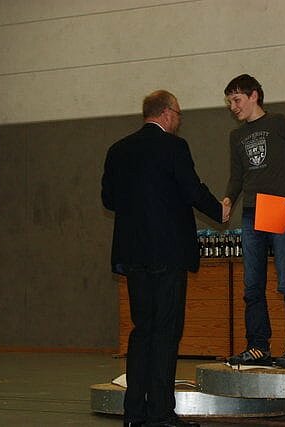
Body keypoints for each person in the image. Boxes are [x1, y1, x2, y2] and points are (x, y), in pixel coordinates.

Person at [101, 90, 229, 427]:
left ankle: (134, 413)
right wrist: (219, 210)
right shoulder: (174, 147)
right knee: (166, 331)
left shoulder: (117, 150)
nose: (179, 121)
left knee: (142, 329)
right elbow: (191, 189)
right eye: (179, 114)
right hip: (168, 253)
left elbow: (109, 199)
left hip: (133, 255)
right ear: (167, 113)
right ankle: (160, 412)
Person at [222, 74, 285, 368]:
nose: (233, 107)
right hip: (251, 212)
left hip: (279, 207)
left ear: (254, 96)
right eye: (229, 102)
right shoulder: (236, 136)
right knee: (252, 285)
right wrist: (228, 199)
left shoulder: (278, 122)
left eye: (236, 100)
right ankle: (258, 347)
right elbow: (237, 176)